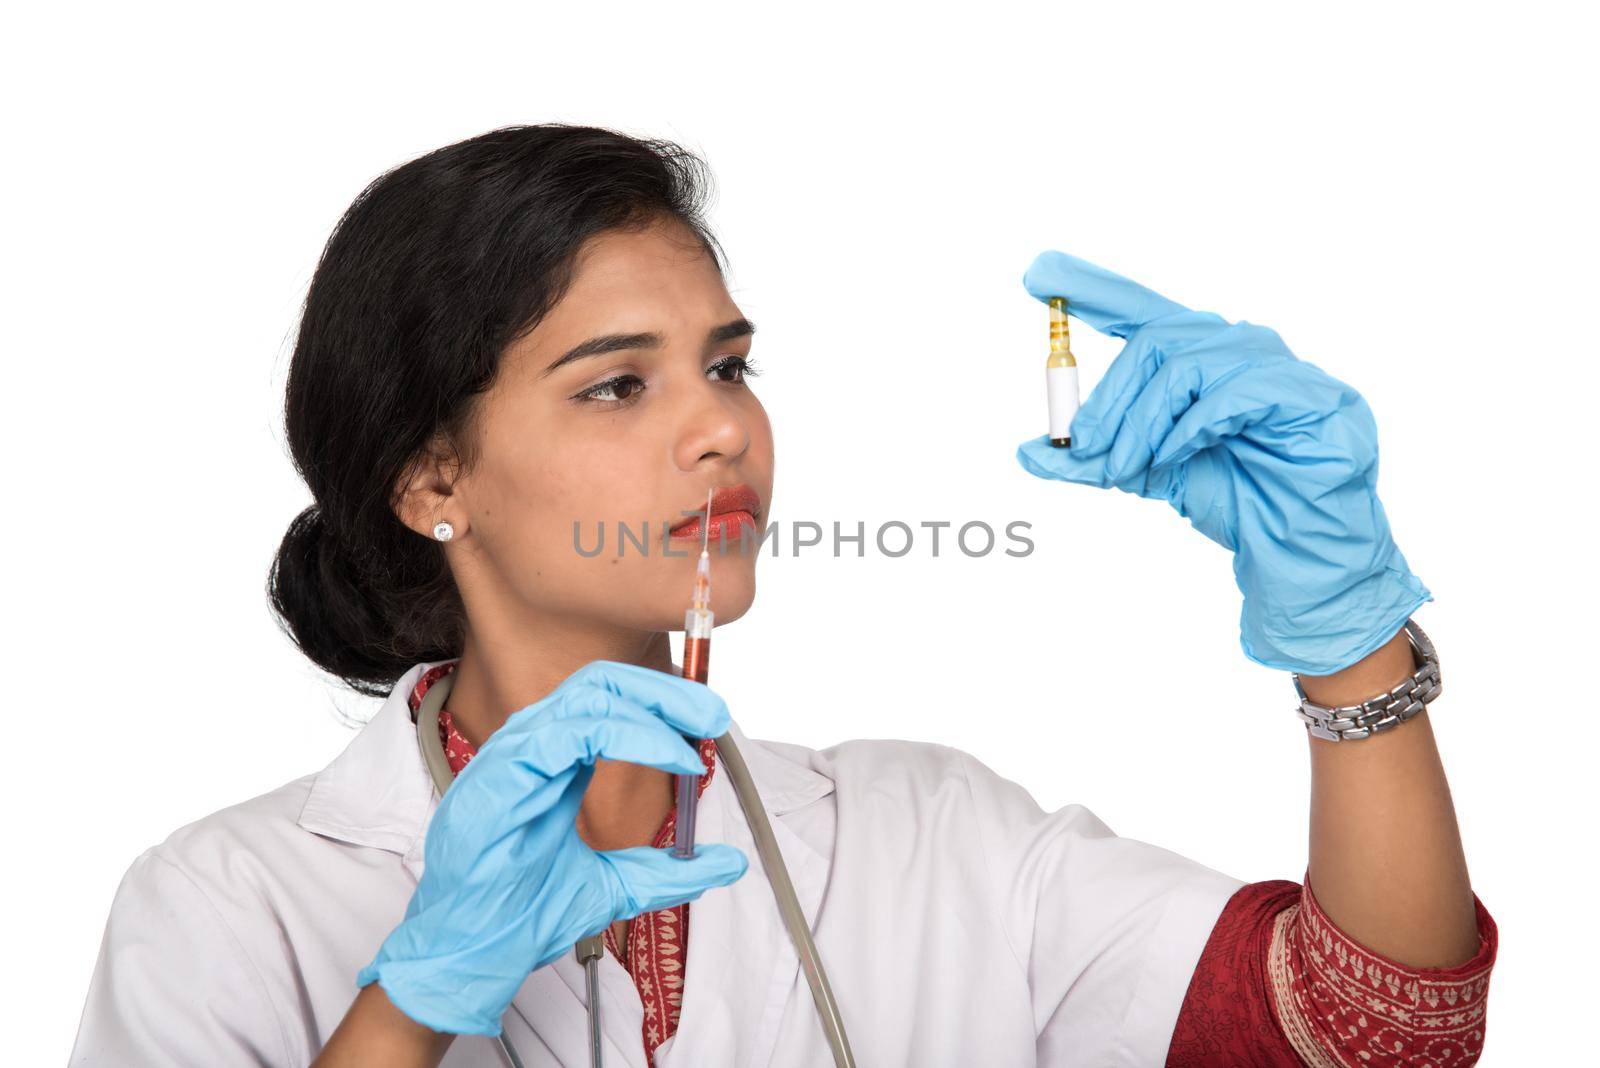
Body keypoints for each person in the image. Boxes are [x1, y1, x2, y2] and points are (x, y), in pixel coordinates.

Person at [69, 124, 1497, 1067]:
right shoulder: (227, 907)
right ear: (433, 476)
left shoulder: (930, 839)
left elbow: (1382, 1033)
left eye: (730, 366)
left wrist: (1348, 638)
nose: (721, 430)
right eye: (619, 383)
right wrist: (418, 999)